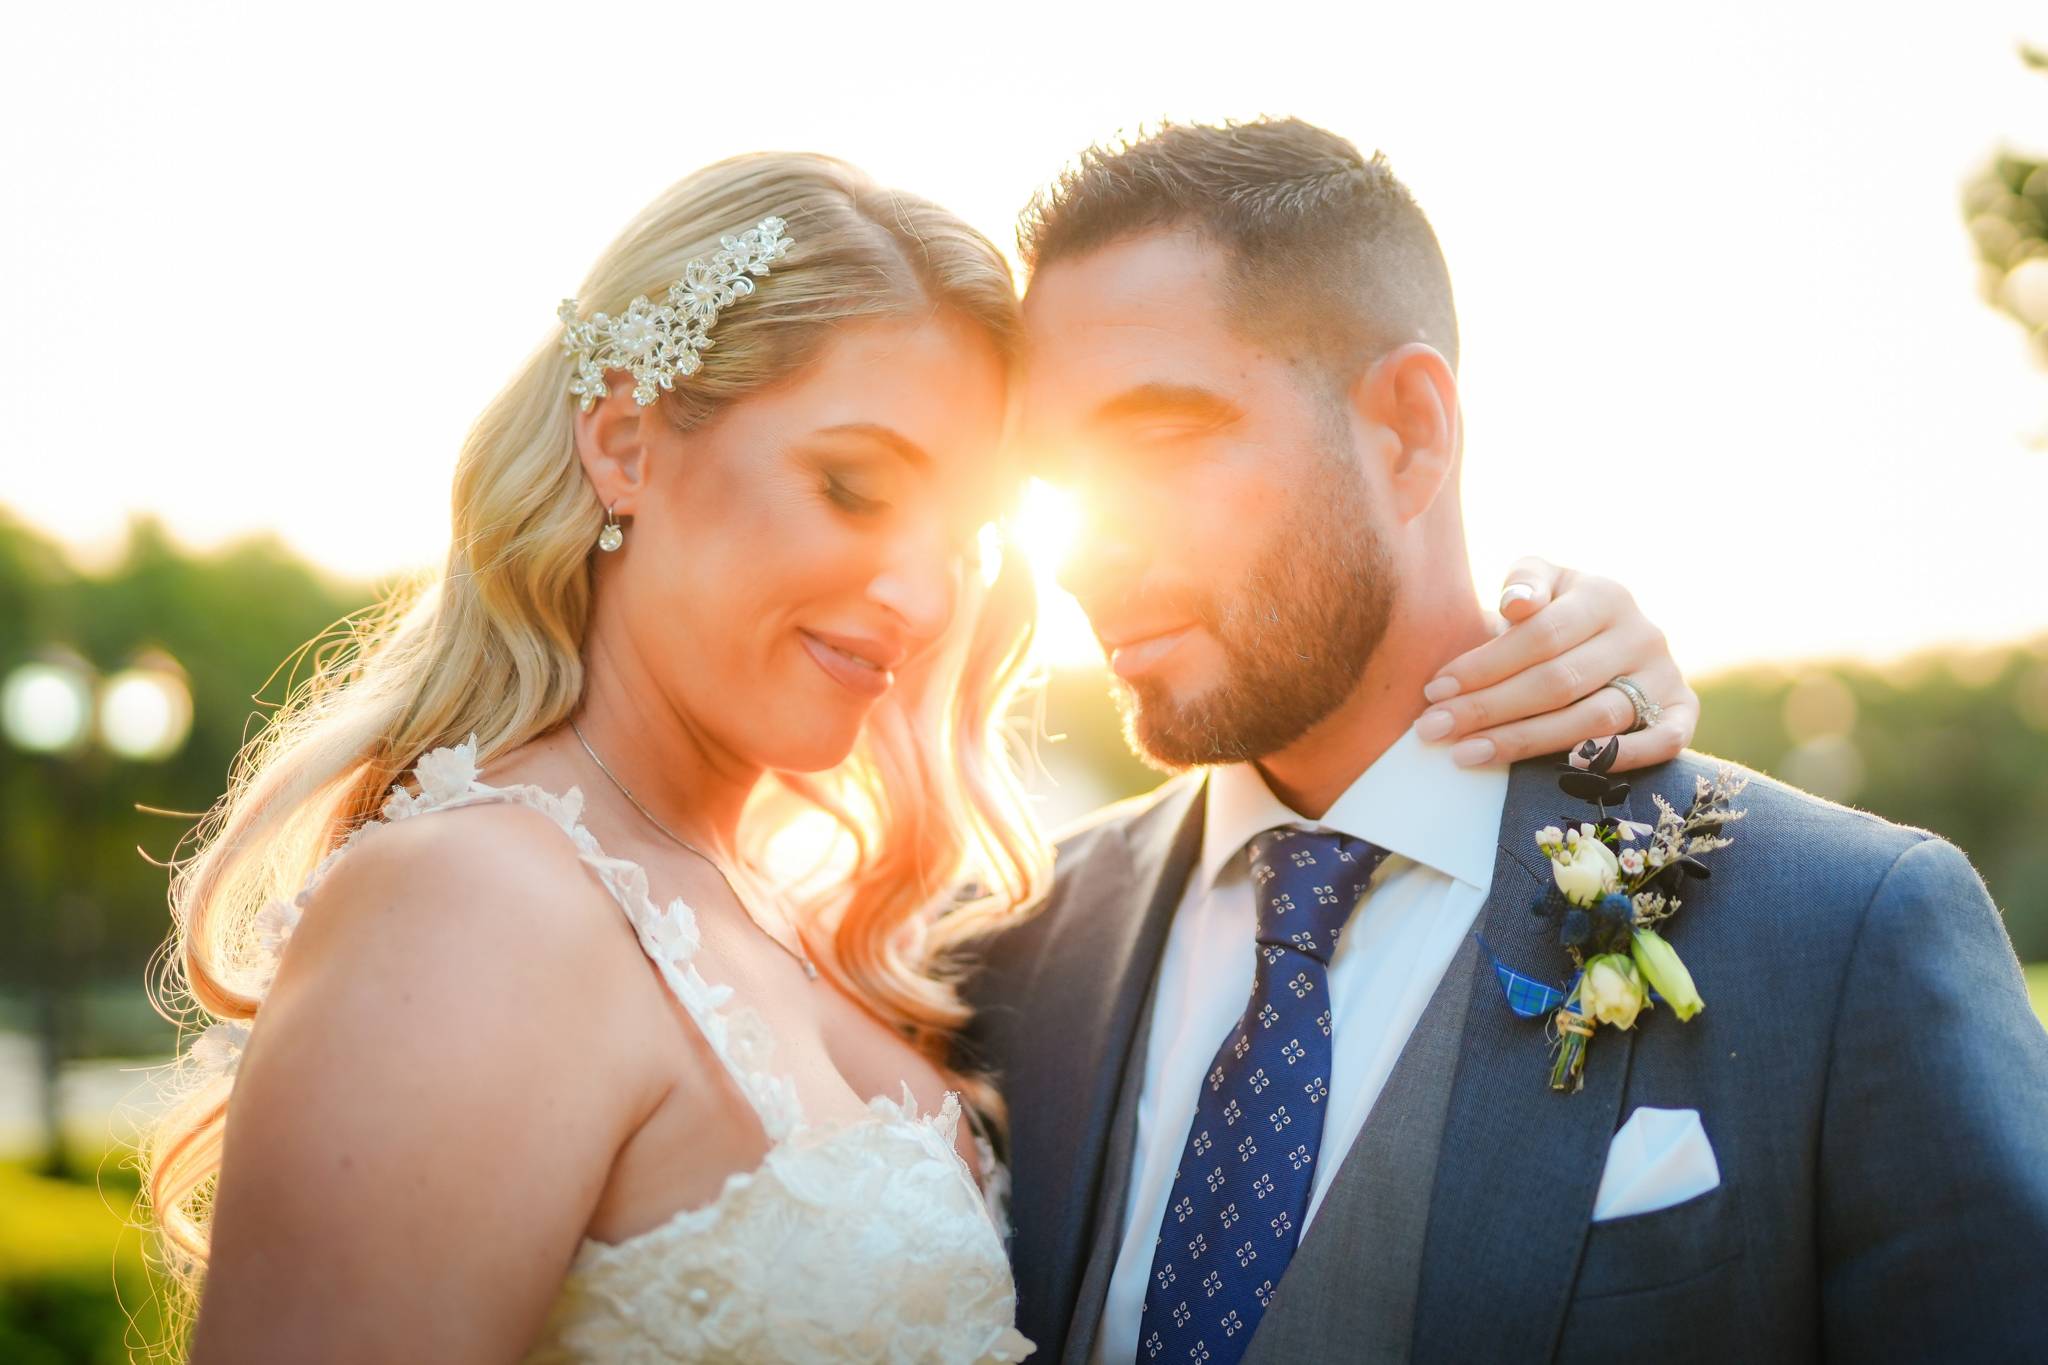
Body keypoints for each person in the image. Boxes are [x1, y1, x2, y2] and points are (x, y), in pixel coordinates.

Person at [149, 150, 1695, 1363]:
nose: (918, 595)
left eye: (966, 533)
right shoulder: (472, 908)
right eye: (851, 484)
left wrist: (1571, 649)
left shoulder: (884, 944)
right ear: (623, 443)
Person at [964, 117, 2048, 1365]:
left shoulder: (1838, 931)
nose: (1085, 553)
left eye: (1157, 444)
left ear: (1409, 431)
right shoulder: (1006, 955)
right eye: (1054, 482)